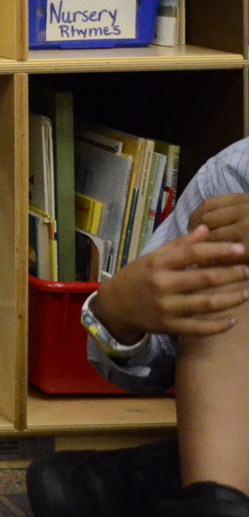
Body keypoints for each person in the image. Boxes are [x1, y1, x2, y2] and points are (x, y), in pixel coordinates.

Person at [26, 142, 249, 517]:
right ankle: (211, 497)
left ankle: (163, 476)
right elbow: (161, 355)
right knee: (228, 270)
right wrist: (117, 313)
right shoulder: (235, 172)